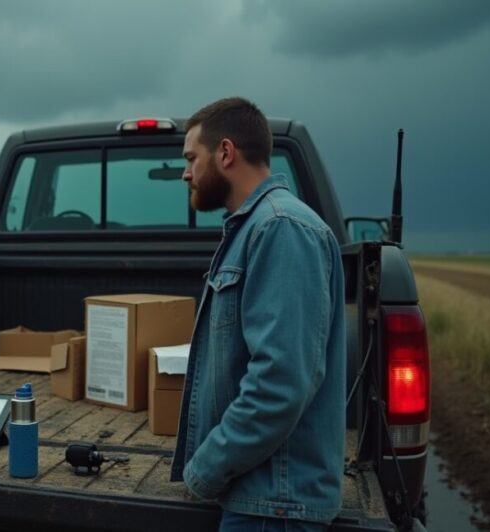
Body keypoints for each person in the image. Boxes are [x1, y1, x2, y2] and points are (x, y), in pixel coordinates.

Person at [170, 97, 346, 531]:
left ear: (225, 153)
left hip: (274, 506)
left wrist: (204, 470)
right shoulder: (255, 227)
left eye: (191, 158)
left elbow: (278, 385)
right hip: (261, 497)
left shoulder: (280, 228)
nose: (185, 173)